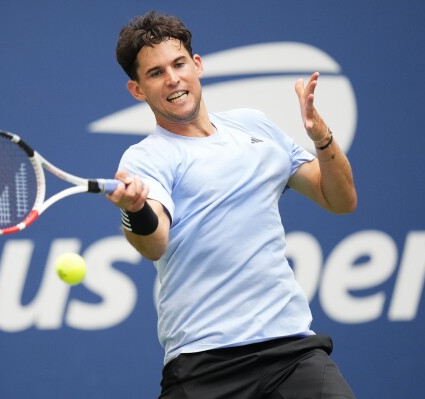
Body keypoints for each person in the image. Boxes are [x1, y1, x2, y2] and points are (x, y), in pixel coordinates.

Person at [108, 10, 357, 399]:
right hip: (204, 363)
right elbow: (153, 241)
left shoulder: (255, 125)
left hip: (291, 350)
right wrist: (135, 208)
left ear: (197, 65)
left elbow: (339, 199)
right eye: (155, 73)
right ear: (137, 90)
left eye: (178, 64)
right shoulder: (145, 158)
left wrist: (322, 138)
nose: (172, 79)